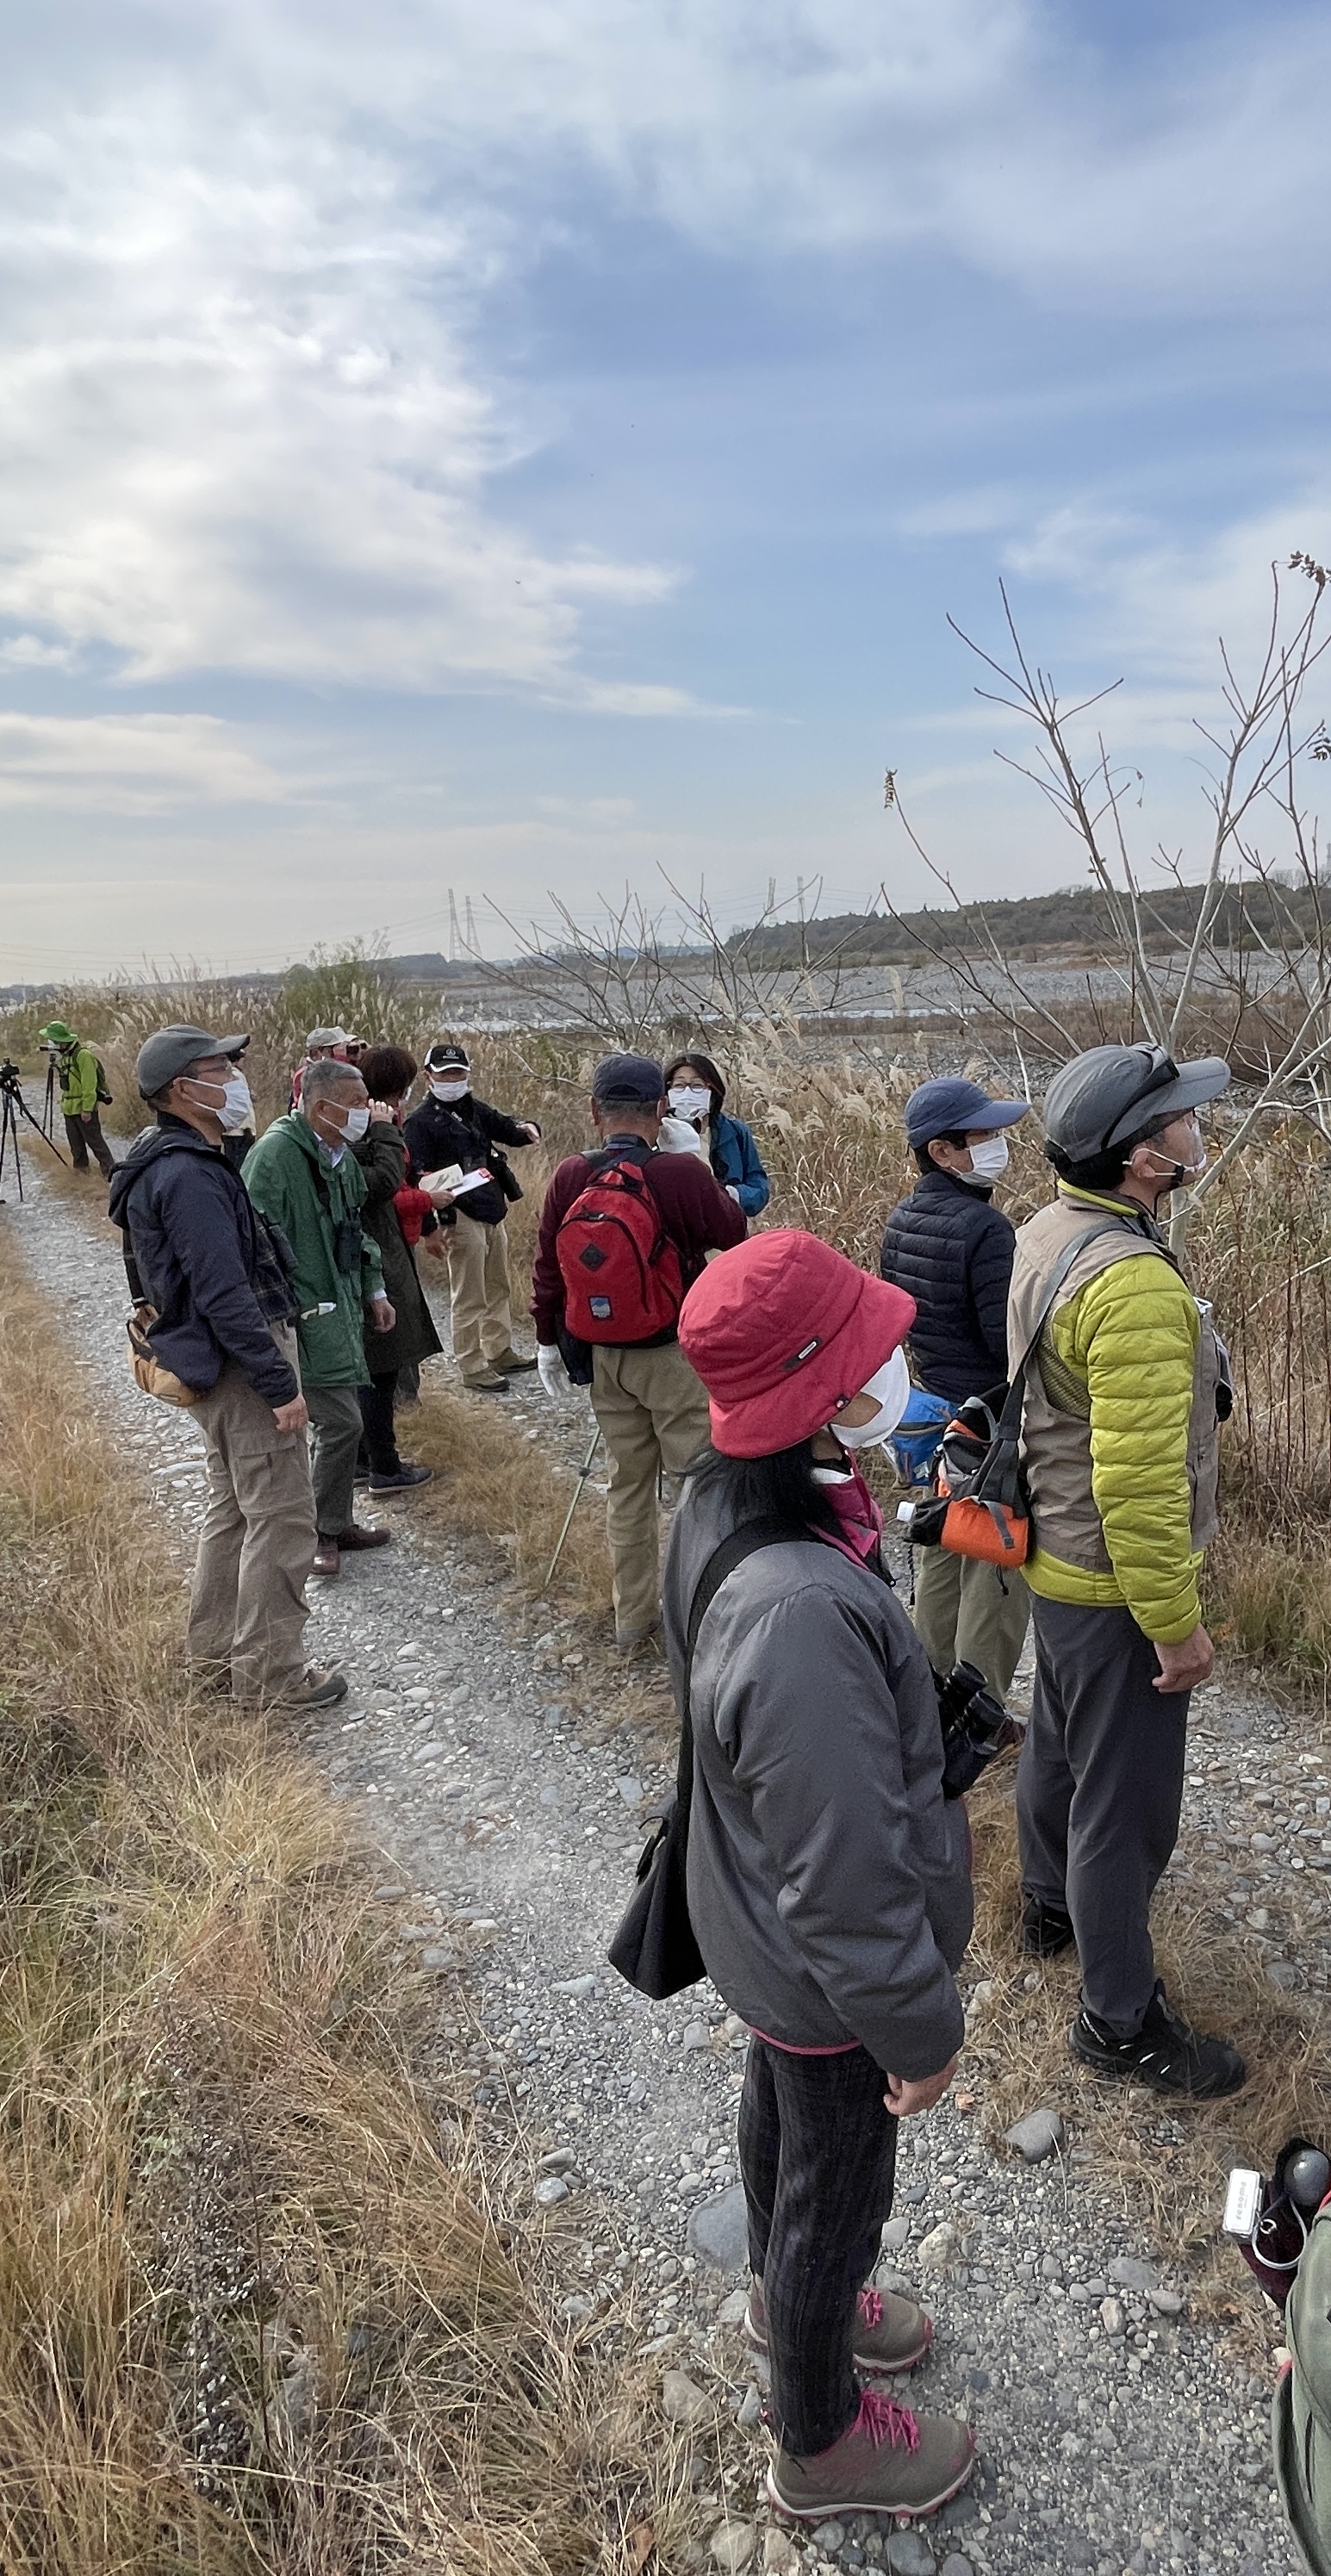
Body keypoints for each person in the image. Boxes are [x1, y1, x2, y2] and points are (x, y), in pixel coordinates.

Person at [669, 1229, 980, 2524]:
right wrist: (918, 2031)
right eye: (871, 1352)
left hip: (756, 1926)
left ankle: (792, 2302)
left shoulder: (732, 1500)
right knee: (835, 2192)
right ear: (816, 1390)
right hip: (823, 1970)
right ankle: (820, 2438)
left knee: (788, 2135)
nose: (899, 1365)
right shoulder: (802, 1609)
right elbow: (847, 1881)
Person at [1010, 1042, 1245, 2098]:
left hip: (1055, 1558)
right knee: (1128, 1809)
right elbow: (1141, 1487)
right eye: (1183, 1116)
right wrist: (1175, 1623)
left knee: (1059, 1747)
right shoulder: (1134, 1282)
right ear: (1145, 1156)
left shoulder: (1050, 1228)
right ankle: (1118, 2021)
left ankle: (1047, 1905)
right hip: (1113, 1582)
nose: (1200, 1126)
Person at [107, 1027, 345, 1711]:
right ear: (184, 1089)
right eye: (222, 1068)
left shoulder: (167, 1158)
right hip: (242, 1365)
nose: (237, 1076)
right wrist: (281, 1385)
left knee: (233, 1511)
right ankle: (271, 1676)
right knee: (282, 1516)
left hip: (213, 1362)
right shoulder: (188, 1177)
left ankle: (212, 1661)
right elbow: (223, 1291)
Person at [531, 1053, 749, 1646]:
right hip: (672, 1354)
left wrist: (548, 1341)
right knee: (695, 1486)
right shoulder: (676, 1173)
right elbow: (732, 1233)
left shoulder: (571, 1174)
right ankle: (699, 1624)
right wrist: (694, 1163)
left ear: (595, 1111)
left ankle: (633, 1620)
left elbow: (548, 1267)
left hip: (603, 1356)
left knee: (627, 1486)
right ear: (661, 1109)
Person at [876, 1073, 1034, 1696]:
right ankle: (981, 1711)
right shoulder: (985, 1230)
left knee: (940, 1549)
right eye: (984, 1136)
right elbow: (1008, 1343)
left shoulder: (901, 1219)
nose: (998, 1145)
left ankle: (926, 1688)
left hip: (931, 1409)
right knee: (994, 1565)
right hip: (986, 1422)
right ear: (942, 1151)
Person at [244, 1055, 398, 1579]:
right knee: (340, 1422)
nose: (366, 1114)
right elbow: (255, 1244)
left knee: (339, 1418)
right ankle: (319, 1533)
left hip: (340, 1305)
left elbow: (354, 1228)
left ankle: (336, 1519)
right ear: (321, 1105)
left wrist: (374, 1288)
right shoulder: (274, 1157)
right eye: (356, 1105)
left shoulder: (338, 1155)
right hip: (300, 1313)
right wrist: (281, 1317)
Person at [405, 1039, 542, 1390]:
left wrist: (525, 1128)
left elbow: (504, 1128)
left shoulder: (472, 1108)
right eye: (446, 1073)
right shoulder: (419, 1123)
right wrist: (428, 1229)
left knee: (497, 1285)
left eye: (459, 1072)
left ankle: (499, 1351)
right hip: (457, 1213)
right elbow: (414, 1181)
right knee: (469, 1294)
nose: (453, 1079)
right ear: (428, 1078)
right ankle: (471, 1365)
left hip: (491, 1209)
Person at [351, 1046, 444, 1496]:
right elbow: (382, 1186)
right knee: (380, 1364)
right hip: (378, 1253)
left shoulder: (357, 1124)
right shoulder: (370, 1129)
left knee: (371, 1364)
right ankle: (383, 1464)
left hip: (384, 1246)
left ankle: (361, 1457)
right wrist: (386, 1133)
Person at [668, 1049, 772, 1219]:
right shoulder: (659, 1134)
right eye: (679, 1086)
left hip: (728, 1234)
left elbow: (759, 1188)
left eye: (697, 1085)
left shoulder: (736, 1133)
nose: (687, 1093)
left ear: (713, 1094)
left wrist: (733, 1195)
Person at [37, 1020, 115, 1172]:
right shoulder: (65, 1055)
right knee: (76, 1144)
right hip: (69, 1107)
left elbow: (89, 1085)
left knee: (95, 1142)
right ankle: (81, 1172)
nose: (51, 1043)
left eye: (53, 1040)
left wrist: (87, 1108)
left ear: (61, 1040)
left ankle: (110, 1171)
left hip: (83, 1107)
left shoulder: (83, 1055)